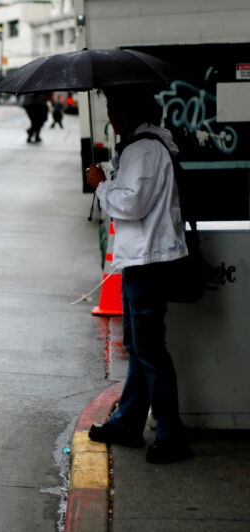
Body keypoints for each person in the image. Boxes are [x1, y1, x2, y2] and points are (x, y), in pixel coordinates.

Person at [85, 86, 191, 464]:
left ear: (133, 111)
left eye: (116, 109)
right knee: (139, 345)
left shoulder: (143, 149)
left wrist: (101, 185)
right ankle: (128, 422)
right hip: (140, 261)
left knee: (149, 349)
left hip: (149, 261)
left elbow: (131, 203)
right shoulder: (139, 146)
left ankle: (170, 431)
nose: (112, 116)